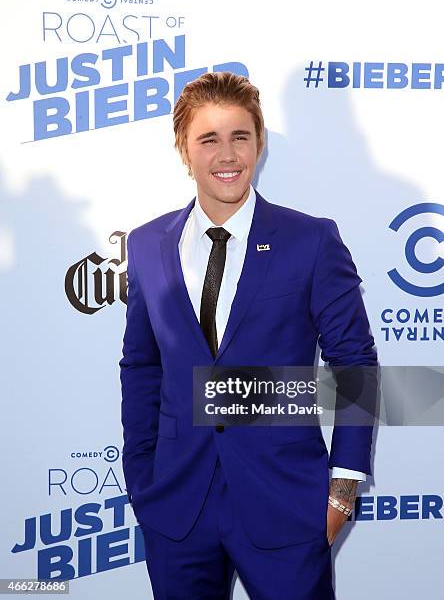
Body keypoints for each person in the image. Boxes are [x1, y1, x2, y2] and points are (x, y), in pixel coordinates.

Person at [119, 71, 378, 599]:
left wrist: (343, 487)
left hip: (284, 500)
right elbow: (141, 367)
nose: (227, 154)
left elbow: (354, 363)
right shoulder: (147, 245)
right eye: (208, 139)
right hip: (176, 506)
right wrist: (142, 474)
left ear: (259, 144)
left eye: (240, 136)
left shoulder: (310, 240)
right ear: (183, 151)